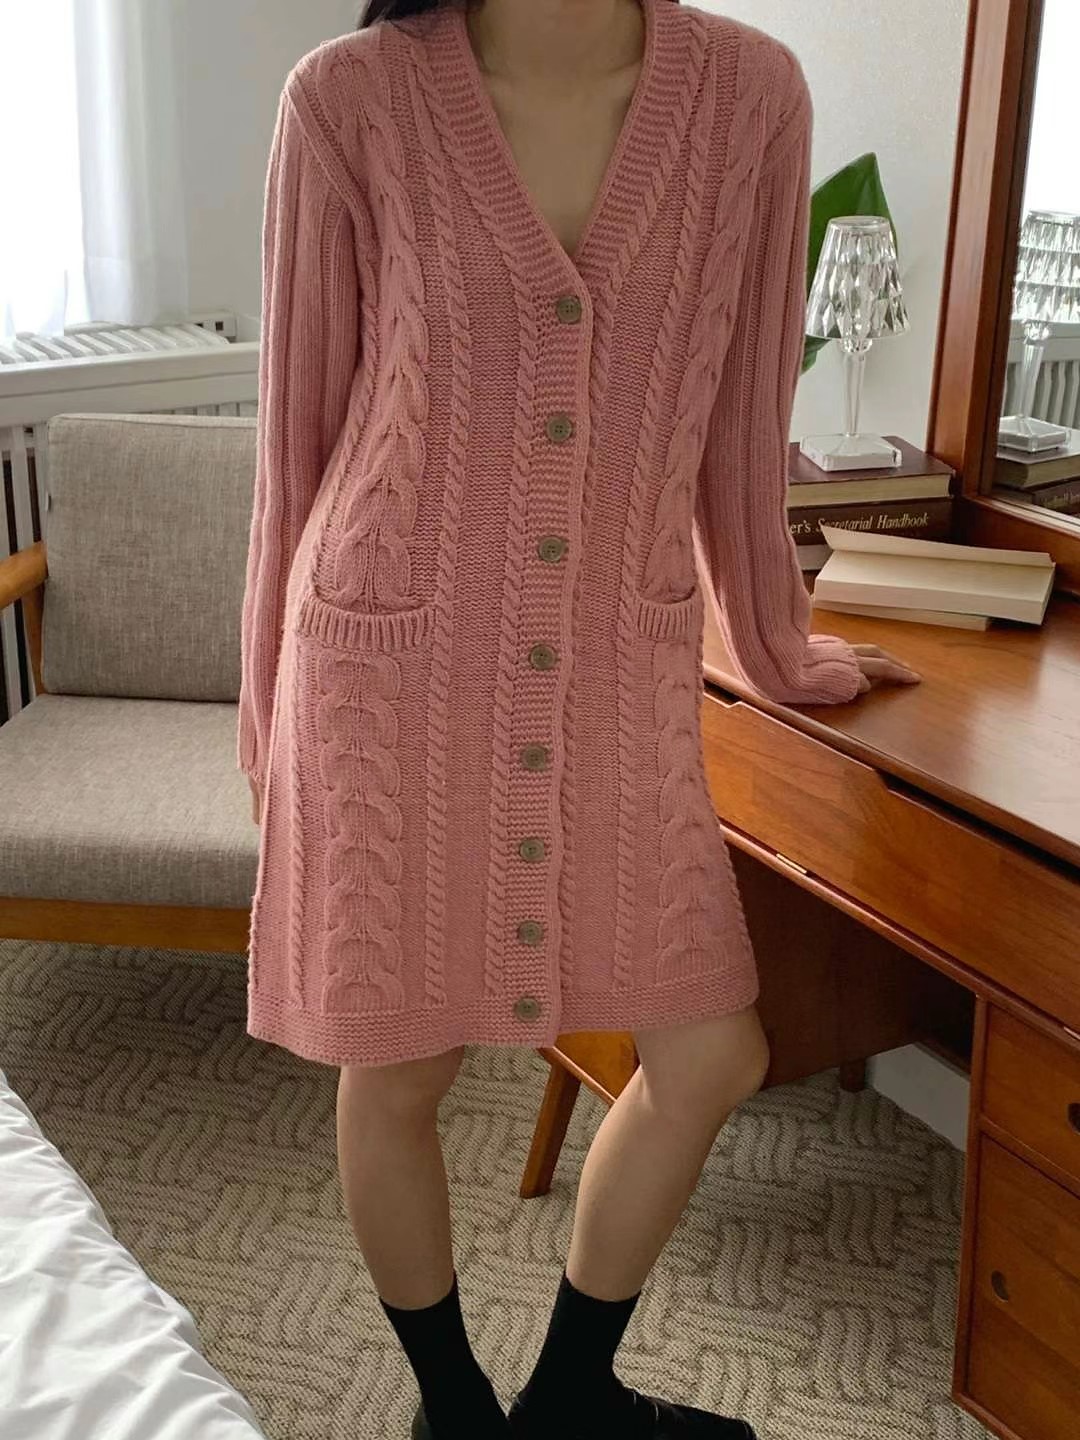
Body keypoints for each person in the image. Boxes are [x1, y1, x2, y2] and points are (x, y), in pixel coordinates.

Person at [236, 1, 922, 1435]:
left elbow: (741, 431)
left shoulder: (751, 99)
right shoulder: (348, 99)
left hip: (615, 667)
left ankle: (565, 1400)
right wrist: (269, 729)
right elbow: (294, 448)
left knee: (711, 1052)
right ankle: (453, 1411)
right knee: (400, 1061)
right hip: (386, 671)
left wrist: (778, 647)